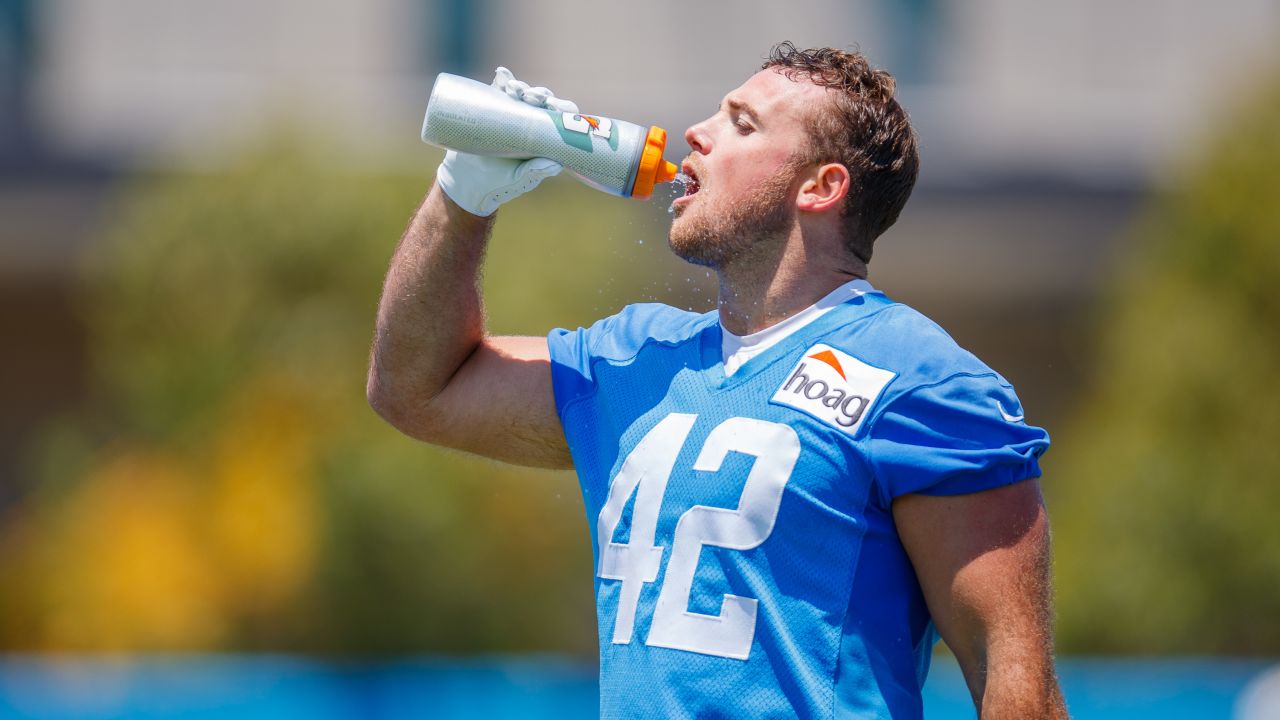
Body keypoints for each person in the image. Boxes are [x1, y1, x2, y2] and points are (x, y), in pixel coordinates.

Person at [367, 42, 1069, 720]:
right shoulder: (634, 354)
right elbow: (416, 388)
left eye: (741, 123)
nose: (696, 134)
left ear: (821, 187)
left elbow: (1018, 690)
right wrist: (463, 195)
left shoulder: (923, 383)